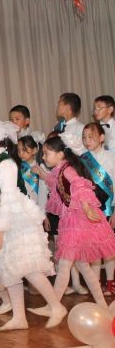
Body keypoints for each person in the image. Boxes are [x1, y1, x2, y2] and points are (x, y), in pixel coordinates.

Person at [0, 121, 66, 331]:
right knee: (11, 270)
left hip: (17, 222)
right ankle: (19, 317)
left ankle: (56, 307)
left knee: (28, 268)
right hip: (6, 219)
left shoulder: (5, 164)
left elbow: (8, 197)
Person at [28, 135, 115, 317]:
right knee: (83, 266)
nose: (43, 156)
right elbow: (52, 181)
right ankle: (102, 305)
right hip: (72, 220)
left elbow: (79, 185)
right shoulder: (59, 169)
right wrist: (41, 172)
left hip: (79, 221)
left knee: (65, 264)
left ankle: (53, 306)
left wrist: (86, 207)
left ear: (60, 154)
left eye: (47, 153)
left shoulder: (67, 169)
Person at [78, 124, 115, 295]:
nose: (87, 141)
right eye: (84, 137)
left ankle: (110, 281)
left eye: (91, 137)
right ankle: (96, 283)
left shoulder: (111, 158)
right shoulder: (82, 159)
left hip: (108, 207)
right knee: (94, 248)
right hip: (91, 209)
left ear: (101, 138)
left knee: (108, 248)